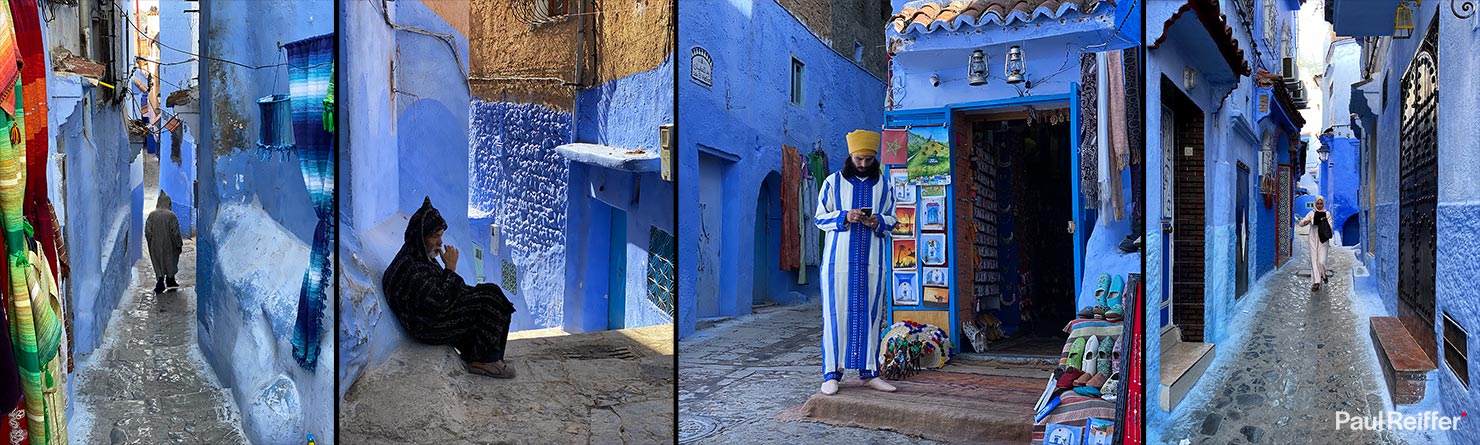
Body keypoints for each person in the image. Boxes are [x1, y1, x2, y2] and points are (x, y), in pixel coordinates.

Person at [383, 197, 518, 378]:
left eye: (441, 235)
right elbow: (439, 303)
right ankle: (483, 360)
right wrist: (450, 269)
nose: (440, 242)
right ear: (419, 237)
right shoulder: (412, 267)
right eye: (434, 236)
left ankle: (488, 355)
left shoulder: (420, 256)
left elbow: (442, 291)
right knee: (488, 302)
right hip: (427, 326)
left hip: (433, 315)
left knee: (491, 292)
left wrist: (457, 281)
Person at [814, 129, 898, 395]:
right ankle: (831, 374)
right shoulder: (831, 183)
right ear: (850, 156)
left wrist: (879, 221)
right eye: (859, 159)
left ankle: (869, 373)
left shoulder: (885, 185)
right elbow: (819, 218)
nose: (863, 164)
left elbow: (894, 219)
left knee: (871, 316)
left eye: (868, 160)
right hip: (838, 265)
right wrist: (843, 216)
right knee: (835, 316)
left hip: (872, 262)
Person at [144, 191, 183, 293]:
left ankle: (160, 281)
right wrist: (178, 244)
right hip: (169, 245)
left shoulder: (152, 215)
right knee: (170, 261)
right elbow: (175, 233)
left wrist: (151, 242)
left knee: (158, 261)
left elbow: (148, 231)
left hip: (155, 244)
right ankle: (170, 280)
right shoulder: (171, 216)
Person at [1298, 196, 1333, 292]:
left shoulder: (1327, 213)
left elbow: (1330, 226)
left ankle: (1323, 274)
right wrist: (1307, 221)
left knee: (1321, 261)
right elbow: (1301, 223)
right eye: (1318, 203)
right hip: (1313, 239)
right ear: (1315, 204)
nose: (1319, 205)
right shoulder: (1311, 213)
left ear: (1323, 204)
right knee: (1314, 260)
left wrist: (1322, 221)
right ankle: (1316, 282)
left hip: (1323, 239)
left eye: (1321, 203)